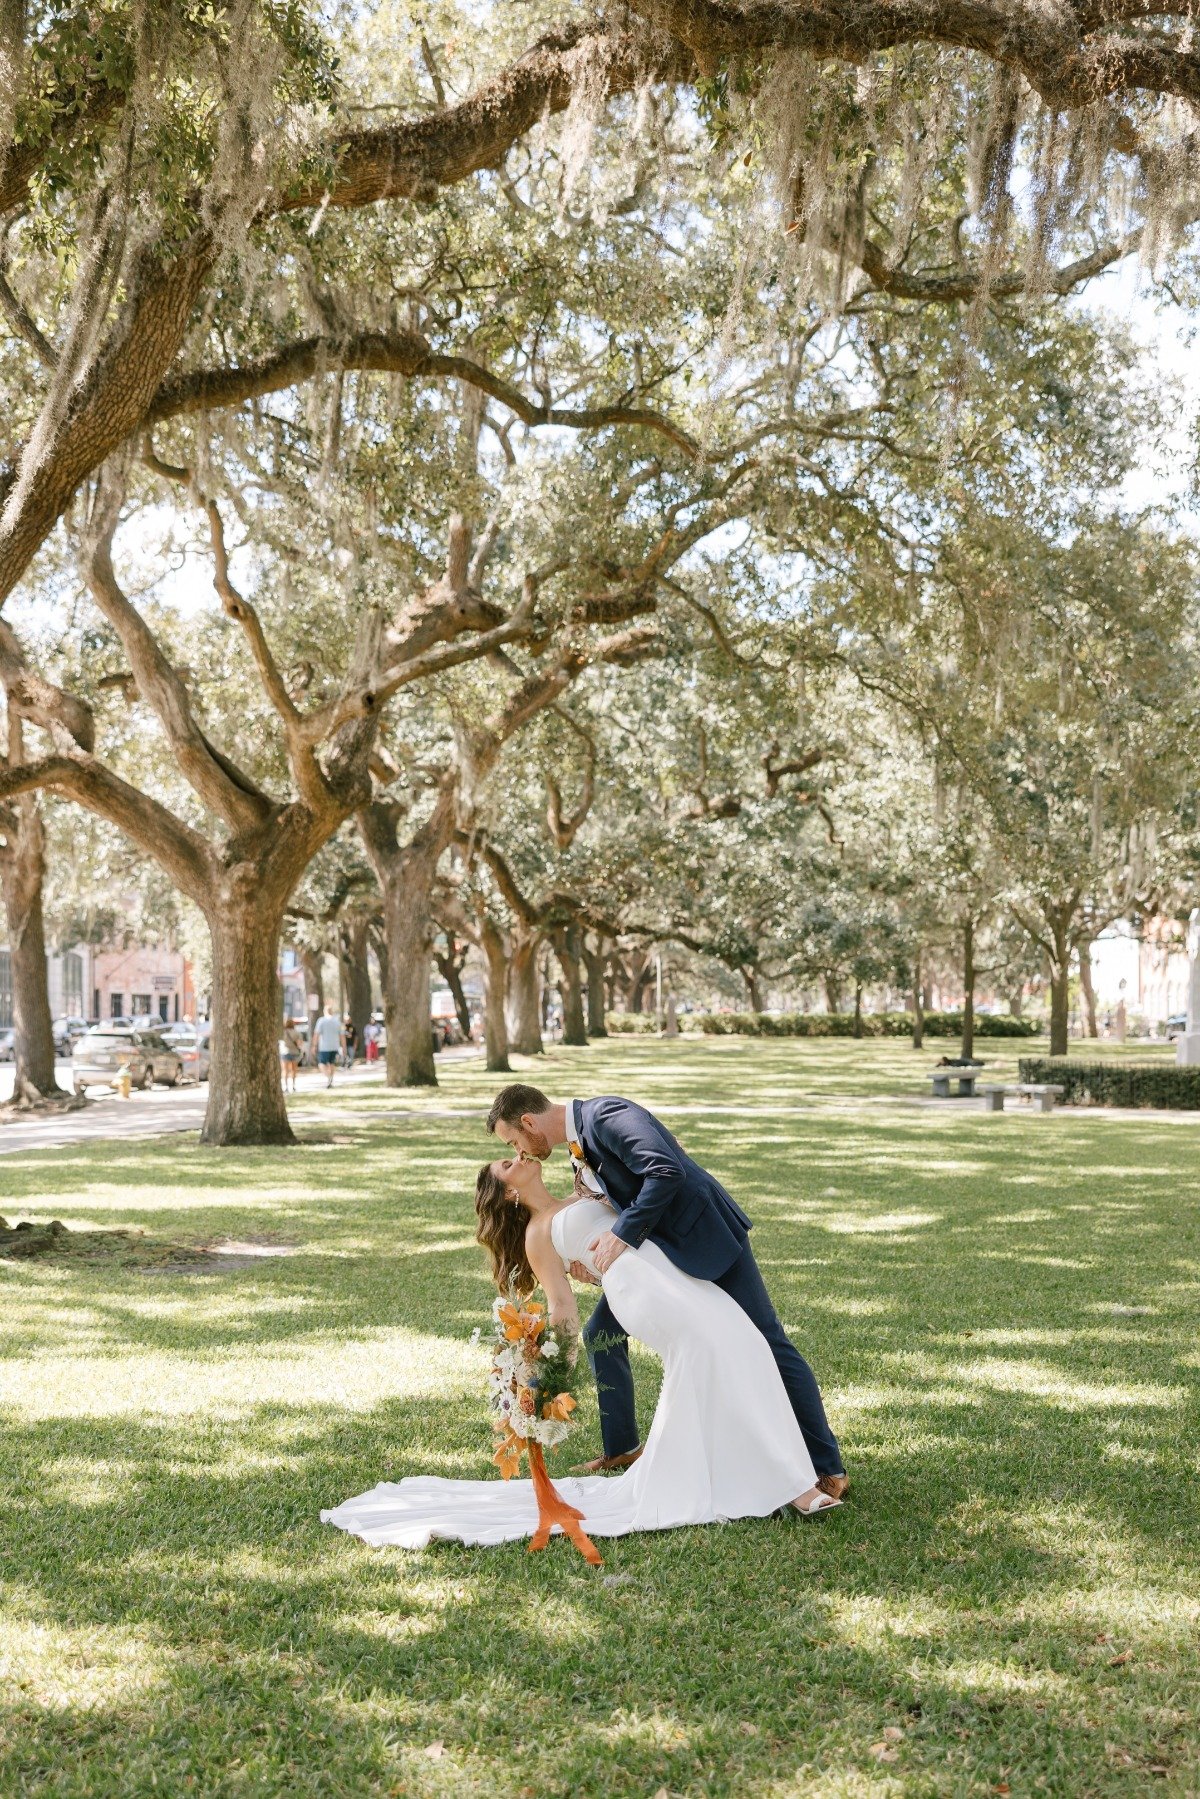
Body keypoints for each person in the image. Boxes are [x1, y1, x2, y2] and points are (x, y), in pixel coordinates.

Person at [320, 1152, 838, 1551]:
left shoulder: (580, 1192)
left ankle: (768, 1470)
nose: (518, 1157)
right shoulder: (538, 1235)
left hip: (673, 1273)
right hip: (640, 1291)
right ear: (507, 1192)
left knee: (745, 1343)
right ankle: (794, 1486)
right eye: (507, 1162)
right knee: (709, 1352)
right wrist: (551, 1377)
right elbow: (562, 1306)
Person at [487, 1084, 847, 1495]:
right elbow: (620, 1187)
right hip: (653, 1260)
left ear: (529, 1122)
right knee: (601, 1334)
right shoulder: (578, 1141)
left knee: (768, 1341)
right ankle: (622, 1445)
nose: (520, 1151)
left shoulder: (603, 1115)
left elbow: (666, 1169)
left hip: (701, 1236)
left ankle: (828, 1467)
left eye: (514, 1141)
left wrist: (619, 1236)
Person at [311, 1005, 344, 1088]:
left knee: (321, 1064)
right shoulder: (337, 1021)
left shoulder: (321, 1021)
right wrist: (344, 1047)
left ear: (324, 1011)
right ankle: (331, 1079)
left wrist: (314, 1046)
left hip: (324, 1047)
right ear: (331, 1011)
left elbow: (316, 1034)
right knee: (332, 1063)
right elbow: (342, 1036)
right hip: (335, 1046)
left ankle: (329, 1077)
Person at [278, 1020, 302, 1092]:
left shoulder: (282, 1033)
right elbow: (300, 1043)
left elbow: (280, 1042)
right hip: (294, 1052)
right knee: (294, 1070)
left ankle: (286, 1087)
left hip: (285, 1052)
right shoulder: (297, 1033)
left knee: (285, 1070)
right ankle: (293, 1085)